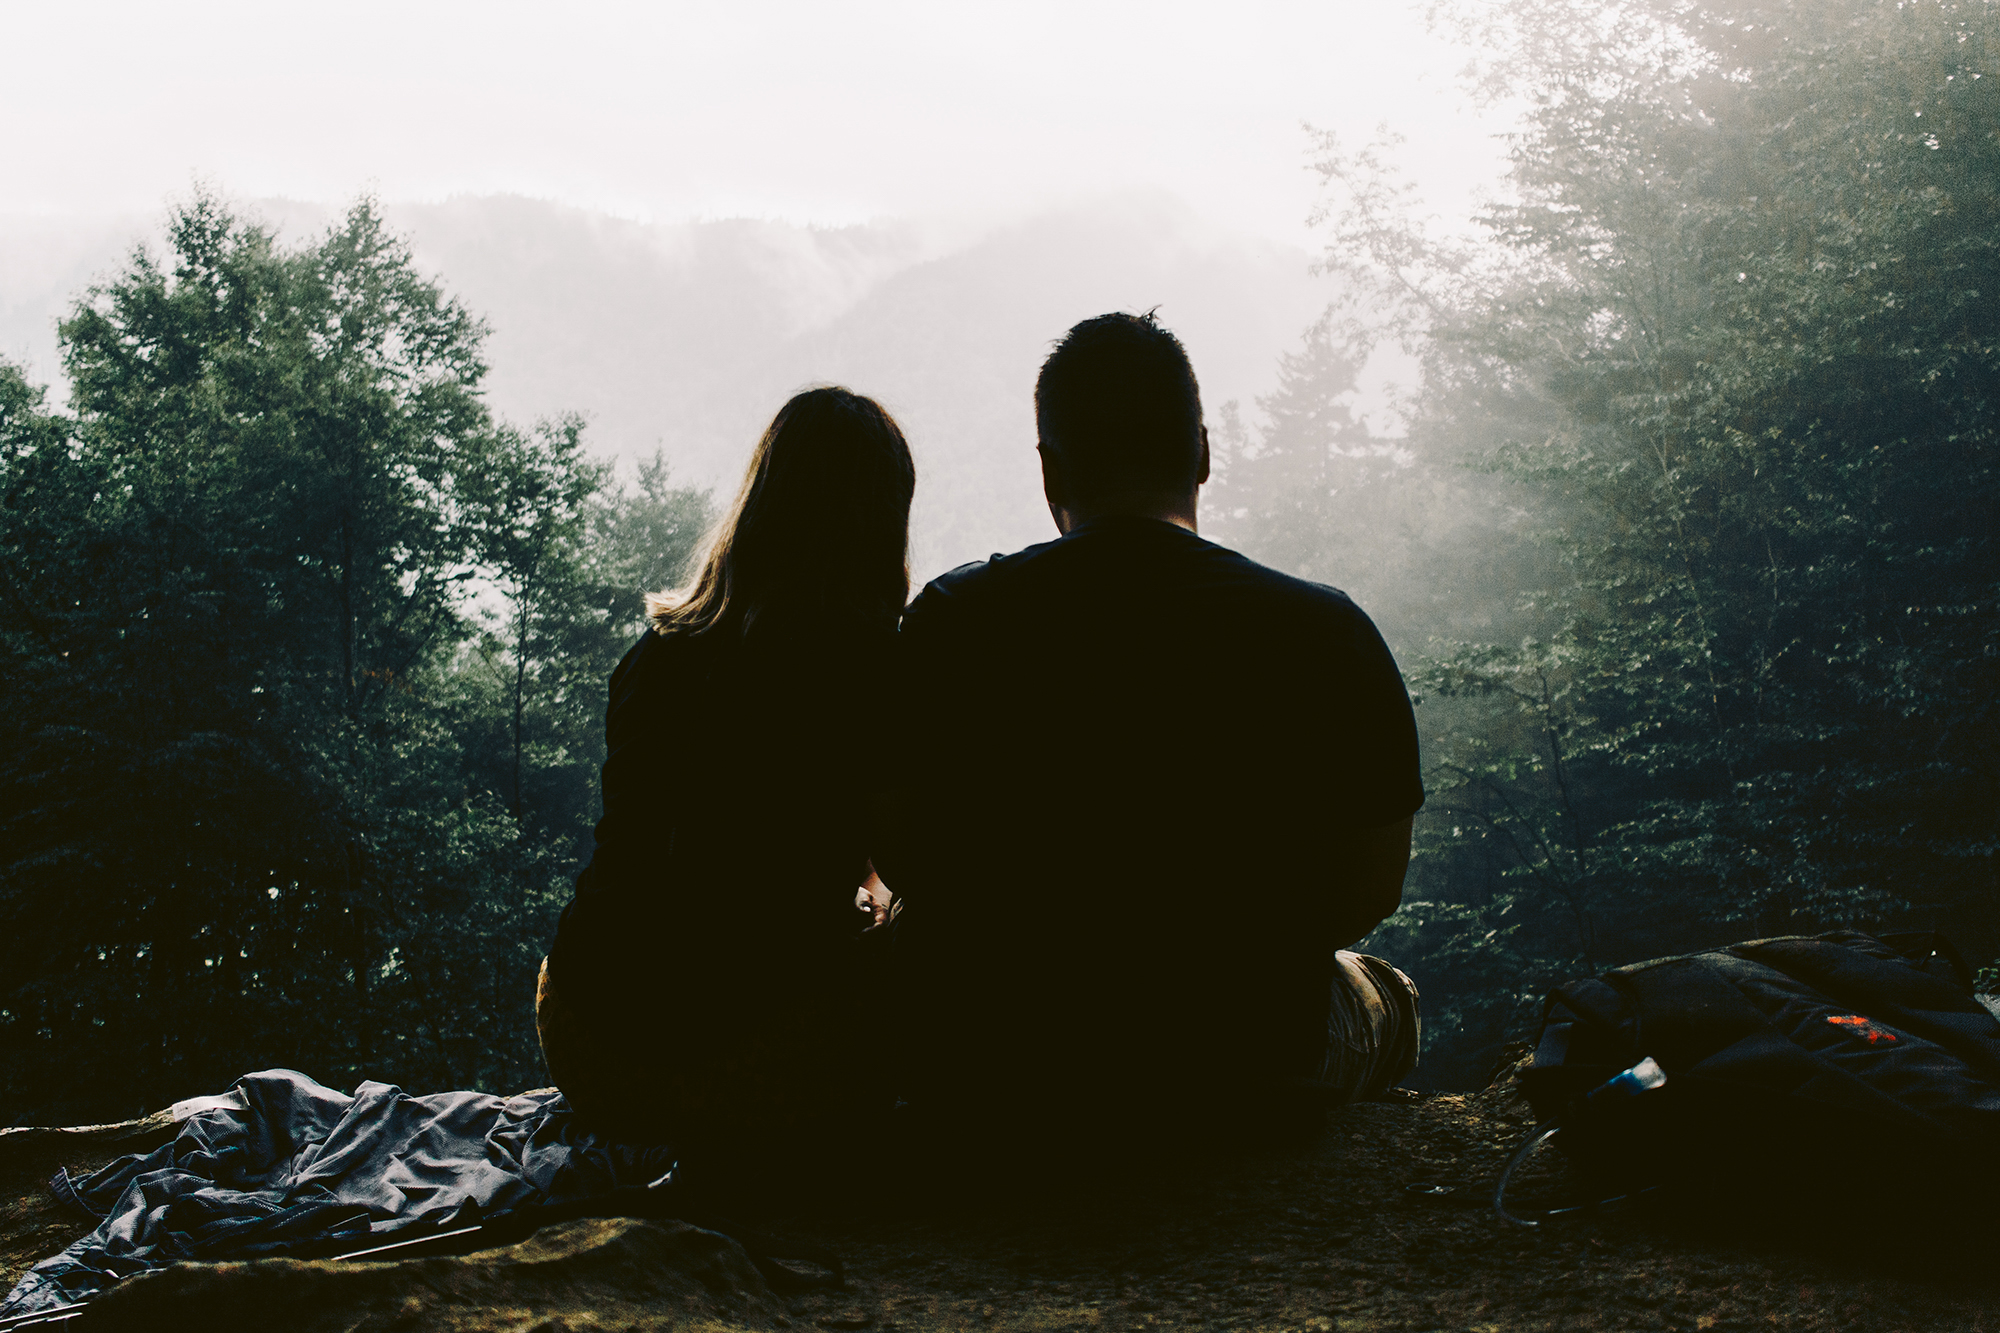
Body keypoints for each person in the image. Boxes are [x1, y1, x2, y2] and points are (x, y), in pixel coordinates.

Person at [881, 311, 1423, 1154]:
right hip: (1249, 1057)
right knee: (1387, 994)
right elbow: (1368, 890)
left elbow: (903, 851)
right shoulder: (1326, 632)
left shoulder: (952, 623)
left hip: (999, 1058)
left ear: (1050, 468)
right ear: (1202, 452)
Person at [535, 386, 914, 1175]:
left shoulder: (655, 653)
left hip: (584, 1031)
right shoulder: (872, 672)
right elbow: (909, 866)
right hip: (743, 1062)